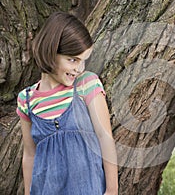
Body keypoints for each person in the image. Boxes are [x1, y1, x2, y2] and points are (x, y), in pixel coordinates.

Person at [16, 12, 118, 195]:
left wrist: (112, 190)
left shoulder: (86, 84)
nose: (79, 69)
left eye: (83, 61)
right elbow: (30, 154)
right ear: (51, 51)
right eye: (72, 60)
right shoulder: (27, 99)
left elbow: (105, 138)